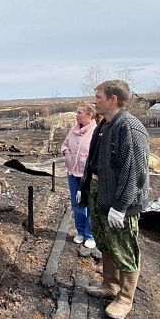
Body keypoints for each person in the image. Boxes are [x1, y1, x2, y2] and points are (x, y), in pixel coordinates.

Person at [78, 80, 150, 319]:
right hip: (101, 192)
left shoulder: (129, 128)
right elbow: (93, 160)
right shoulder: (104, 126)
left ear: (113, 99)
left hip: (122, 202)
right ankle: (110, 285)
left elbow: (135, 172)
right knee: (105, 240)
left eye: (98, 96)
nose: (94, 100)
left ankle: (125, 298)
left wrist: (121, 207)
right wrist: (85, 186)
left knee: (124, 246)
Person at [61, 103, 97, 249]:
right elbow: (64, 144)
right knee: (77, 204)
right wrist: (67, 153)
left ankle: (90, 235)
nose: (76, 115)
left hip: (87, 174)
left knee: (89, 204)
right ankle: (80, 231)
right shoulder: (73, 130)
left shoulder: (95, 131)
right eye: (77, 112)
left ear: (89, 115)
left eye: (80, 112)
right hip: (72, 172)